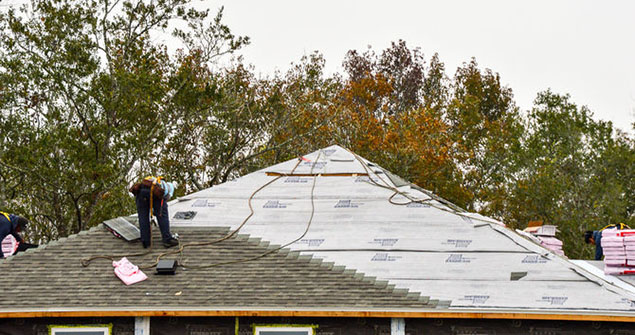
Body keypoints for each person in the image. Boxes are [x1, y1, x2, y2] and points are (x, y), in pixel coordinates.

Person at [130, 176, 179, 249]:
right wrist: (158, 210)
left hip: (141, 193)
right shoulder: (168, 189)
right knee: (162, 215)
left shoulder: (158, 182)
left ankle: (145, 241)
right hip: (154, 193)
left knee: (143, 216)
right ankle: (167, 240)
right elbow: (165, 200)